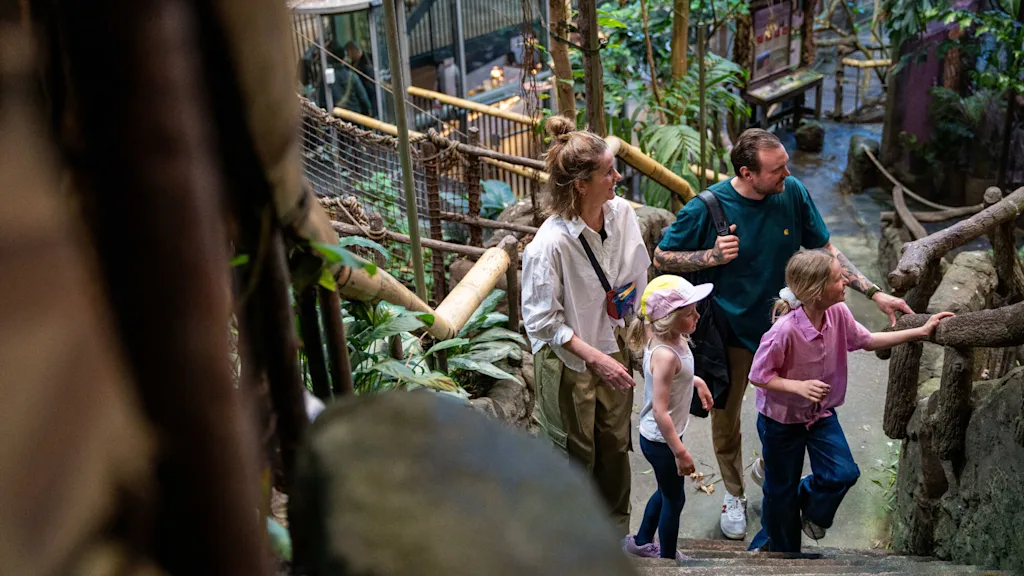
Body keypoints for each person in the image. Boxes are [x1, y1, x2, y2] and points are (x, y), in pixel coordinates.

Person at [654, 128, 913, 539]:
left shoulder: (790, 192)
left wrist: (875, 293)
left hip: (792, 325)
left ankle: (765, 471)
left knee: (794, 409)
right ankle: (735, 492)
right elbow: (662, 255)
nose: (787, 174)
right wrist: (711, 256)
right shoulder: (707, 206)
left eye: (786, 165)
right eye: (777, 169)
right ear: (747, 172)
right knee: (727, 418)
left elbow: (827, 252)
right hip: (732, 330)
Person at [747, 250, 952, 552]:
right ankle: (782, 555)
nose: (845, 281)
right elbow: (759, 375)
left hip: (820, 415)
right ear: (816, 291)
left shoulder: (837, 314)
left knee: (842, 473)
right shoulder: (784, 331)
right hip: (781, 421)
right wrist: (798, 386)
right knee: (780, 493)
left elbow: (867, 341)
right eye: (837, 278)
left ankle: (799, 498)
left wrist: (918, 331)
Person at [522, 115, 652, 535]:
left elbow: (636, 280)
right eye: (608, 171)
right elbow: (542, 321)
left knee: (615, 444)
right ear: (580, 184)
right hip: (569, 360)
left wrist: (639, 336)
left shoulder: (623, 215)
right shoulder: (550, 244)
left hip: (612, 342)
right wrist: (597, 359)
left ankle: (614, 532)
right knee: (576, 451)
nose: (618, 177)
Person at [622, 276, 715, 560]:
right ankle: (668, 558)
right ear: (668, 320)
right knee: (675, 498)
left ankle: (640, 541)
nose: (697, 316)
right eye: (689, 313)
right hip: (662, 439)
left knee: (666, 491)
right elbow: (661, 412)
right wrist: (681, 453)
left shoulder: (674, 338)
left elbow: (679, 376)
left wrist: (696, 382)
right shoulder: (665, 354)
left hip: (667, 435)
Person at [345, 40, 377, 116]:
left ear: (353, 50)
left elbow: (370, 86)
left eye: (348, 53)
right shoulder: (353, 63)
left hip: (369, 98)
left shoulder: (367, 63)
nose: (348, 56)